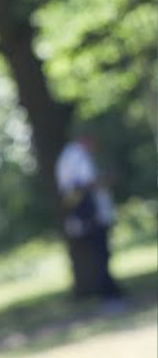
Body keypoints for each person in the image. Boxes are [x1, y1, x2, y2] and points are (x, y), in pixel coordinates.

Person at [55, 130, 124, 303]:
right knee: (100, 254)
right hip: (89, 215)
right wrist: (106, 179)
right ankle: (108, 293)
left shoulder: (70, 156)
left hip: (86, 215)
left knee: (101, 253)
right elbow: (85, 184)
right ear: (86, 140)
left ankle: (110, 290)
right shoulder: (77, 156)